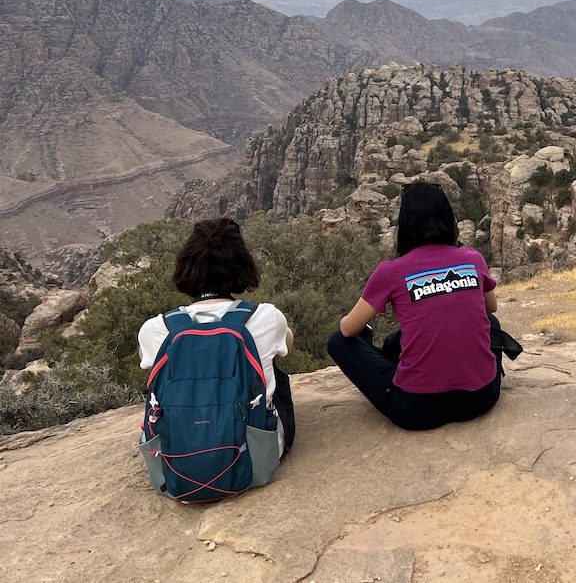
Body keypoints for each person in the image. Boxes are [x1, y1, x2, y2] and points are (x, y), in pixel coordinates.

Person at [327, 182, 503, 430]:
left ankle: (409, 372)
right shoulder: (473, 259)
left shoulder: (391, 271)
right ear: (448, 219)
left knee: (338, 342)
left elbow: (347, 330)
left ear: (406, 224)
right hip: (482, 397)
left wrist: (363, 330)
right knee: (491, 325)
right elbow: (491, 309)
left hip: (417, 409)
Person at [138, 217, 296, 454]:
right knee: (276, 373)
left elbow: (144, 358)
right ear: (243, 266)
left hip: (179, 460)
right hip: (255, 457)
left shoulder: (157, 328)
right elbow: (288, 344)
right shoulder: (266, 316)